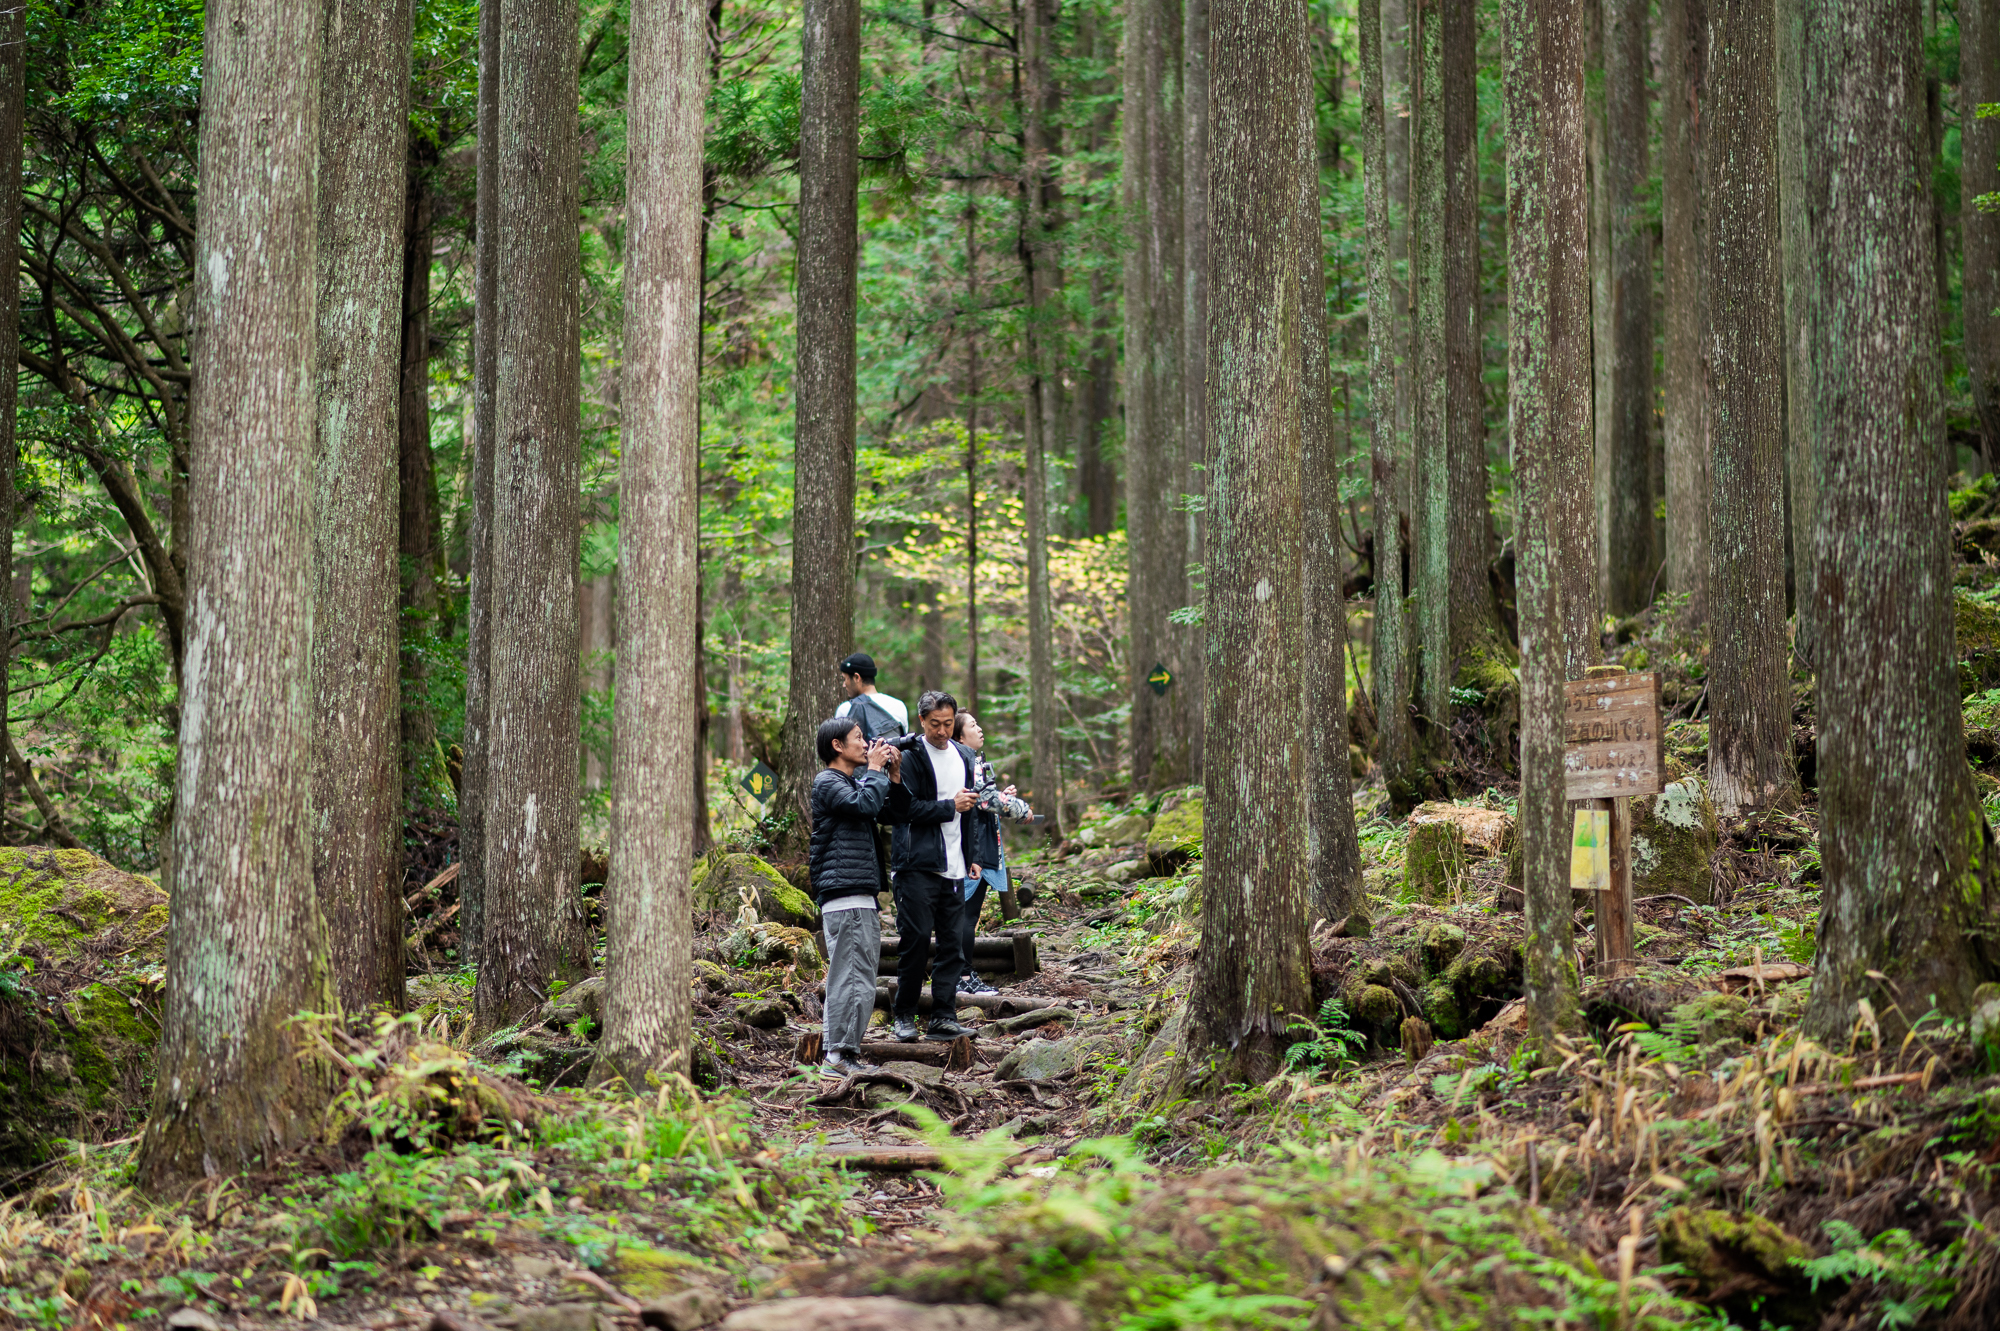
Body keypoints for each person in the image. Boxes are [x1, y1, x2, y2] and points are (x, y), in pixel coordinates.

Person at [883, 690, 979, 1042]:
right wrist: (949, 806)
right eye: (935, 724)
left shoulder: (966, 755)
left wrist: (974, 858)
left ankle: (943, 1015)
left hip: (955, 867)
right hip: (917, 866)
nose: (942, 731)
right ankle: (904, 1015)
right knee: (917, 940)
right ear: (921, 721)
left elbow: (972, 813)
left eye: (948, 723)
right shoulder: (908, 757)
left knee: (953, 945)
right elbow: (903, 811)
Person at [809, 715, 900, 1077]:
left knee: (861, 978)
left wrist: (890, 777)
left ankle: (846, 1053)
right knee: (849, 977)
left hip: (859, 894)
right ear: (837, 746)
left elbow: (885, 810)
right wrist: (875, 770)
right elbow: (863, 806)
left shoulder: (853, 783)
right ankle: (835, 1057)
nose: (866, 745)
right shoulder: (828, 782)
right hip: (845, 896)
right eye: (859, 738)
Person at [951, 711, 1033, 996]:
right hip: (975, 847)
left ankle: (961, 973)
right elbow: (985, 799)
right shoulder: (968, 759)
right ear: (960, 736)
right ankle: (962, 976)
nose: (980, 728)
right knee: (966, 915)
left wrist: (1002, 795)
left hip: (971, 843)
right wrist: (1019, 808)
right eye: (973, 725)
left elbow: (985, 795)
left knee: (964, 914)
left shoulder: (965, 759)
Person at [833, 653, 907, 740]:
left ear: (857, 677)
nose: (844, 685)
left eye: (845, 679)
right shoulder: (898, 705)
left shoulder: (846, 709)